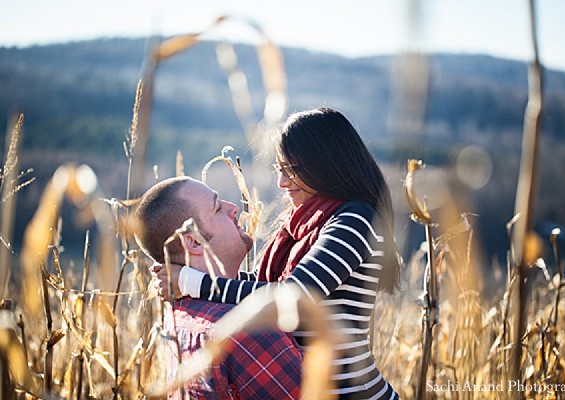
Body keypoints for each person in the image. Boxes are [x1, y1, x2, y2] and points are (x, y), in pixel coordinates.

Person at [157, 107, 401, 399]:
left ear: (326, 164)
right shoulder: (306, 223)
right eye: (279, 170)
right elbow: (263, 288)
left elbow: (291, 297)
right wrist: (194, 274)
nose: (281, 183)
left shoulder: (356, 219)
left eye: (291, 170)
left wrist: (190, 282)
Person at [134, 176, 302, 399]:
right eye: (217, 208)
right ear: (193, 242)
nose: (233, 208)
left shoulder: (179, 313)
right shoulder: (248, 330)